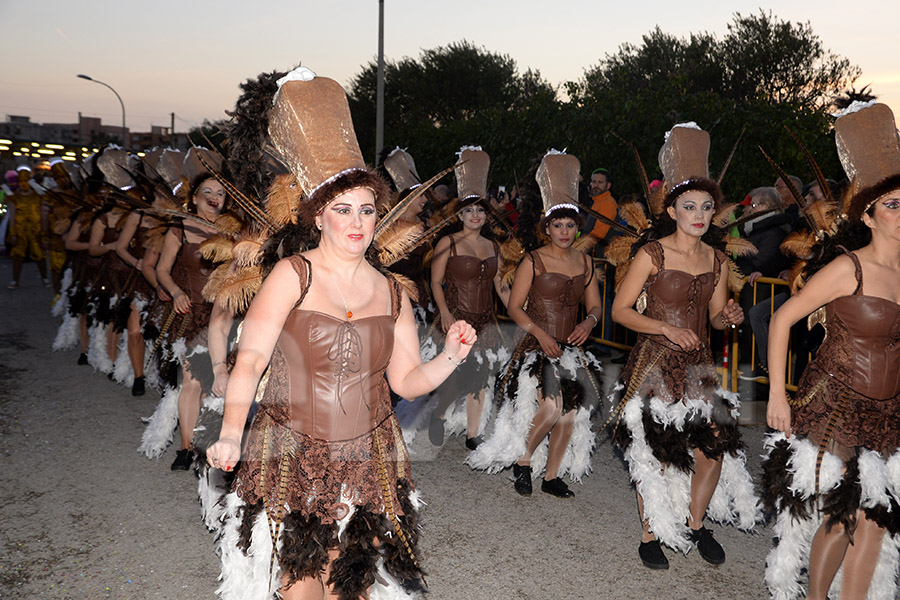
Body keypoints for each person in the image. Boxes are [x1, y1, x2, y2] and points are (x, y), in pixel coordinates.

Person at [206, 67, 476, 600]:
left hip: (367, 458)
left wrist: (449, 356)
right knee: (301, 588)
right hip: (292, 455)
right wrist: (233, 432)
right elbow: (251, 359)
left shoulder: (394, 292)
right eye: (343, 210)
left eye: (368, 210)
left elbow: (408, 381)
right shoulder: (293, 275)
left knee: (348, 589)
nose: (357, 222)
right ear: (319, 216)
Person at [608, 123, 760, 570]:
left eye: (707, 207)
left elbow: (714, 316)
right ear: (672, 209)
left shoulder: (715, 258)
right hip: (654, 362)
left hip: (699, 366)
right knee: (655, 451)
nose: (699, 214)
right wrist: (664, 327)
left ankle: (695, 524)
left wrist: (727, 317)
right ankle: (650, 531)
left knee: (715, 443)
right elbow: (619, 310)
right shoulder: (651, 254)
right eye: (689, 206)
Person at [764, 102, 900, 600]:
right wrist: (778, 393)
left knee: (877, 519)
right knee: (842, 515)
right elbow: (782, 319)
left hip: (888, 411)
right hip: (836, 405)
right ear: (867, 214)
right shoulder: (849, 268)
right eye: (893, 205)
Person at [467, 150, 603, 499]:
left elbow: (595, 306)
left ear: (577, 227)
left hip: (571, 348)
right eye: (558, 225)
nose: (565, 231)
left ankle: (552, 476)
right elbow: (514, 307)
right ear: (546, 228)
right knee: (552, 406)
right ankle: (524, 460)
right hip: (535, 344)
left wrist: (589, 322)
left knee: (570, 413)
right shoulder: (533, 260)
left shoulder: (585, 262)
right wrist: (540, 334)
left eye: (571, 225)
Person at [139, 148, 241, 469]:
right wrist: (175, 291)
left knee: (220, 383)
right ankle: (185, 448)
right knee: (192, 380)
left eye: (220, 193)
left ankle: (214, 440)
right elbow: (162, 269)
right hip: (192, 314)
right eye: (207, 192)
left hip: (226, 315)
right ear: (194, 197)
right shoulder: (178, 228)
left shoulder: (234, 232)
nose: (214, 197)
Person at [428, 147, 511, 448]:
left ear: (487, 214)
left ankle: (473, 434)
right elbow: (436, 283)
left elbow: (501, 287)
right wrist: (445, 314)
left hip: (485, 321)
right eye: (469, 211)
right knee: (454, 379)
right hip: (454, 318)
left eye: (480, 210)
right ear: (460, 214)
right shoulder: (447, 243)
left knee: (482, 376)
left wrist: (521, 311)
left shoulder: (494, 247)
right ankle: (438, 414)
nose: (475, 215)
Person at [6, 166, 50, 289]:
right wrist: (13, 232)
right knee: (17, 255)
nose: (23, 184)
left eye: (25, 181)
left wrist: (44, 232)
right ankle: (15, 280)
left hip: (36, 229)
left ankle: (44, 277)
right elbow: (13, 215)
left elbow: (42, 214)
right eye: (21, 181)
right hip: (20, 230)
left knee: (39, 254)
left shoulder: (38, 196)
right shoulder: (14, 197)